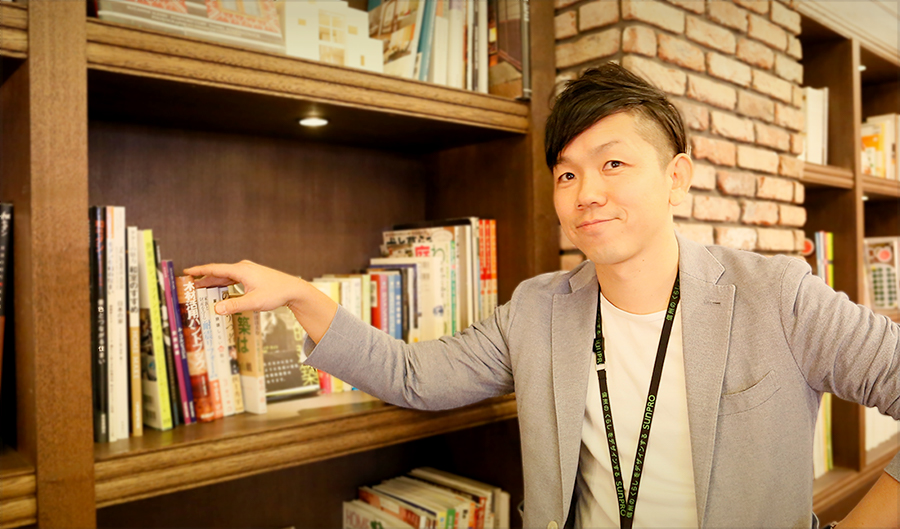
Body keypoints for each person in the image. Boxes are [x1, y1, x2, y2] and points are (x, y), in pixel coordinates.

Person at [185, 63, 900, 529]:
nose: (586, 193)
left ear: (677, 177)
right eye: (566, 173)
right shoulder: (537, 308)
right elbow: (414, 376)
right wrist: (301, 296)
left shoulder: (777, 294)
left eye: (613, 163)